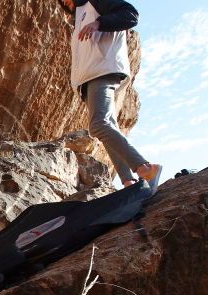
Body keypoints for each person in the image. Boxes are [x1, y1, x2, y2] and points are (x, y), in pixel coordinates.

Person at [61, 0, 163, 191]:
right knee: (108, 126)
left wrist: (98, 23)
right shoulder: (78, 16)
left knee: (99, 125)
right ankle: (128, 181)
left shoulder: (94, 3)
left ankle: (147, 169)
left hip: (103, 70)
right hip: (89, 78)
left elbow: (130, 14)